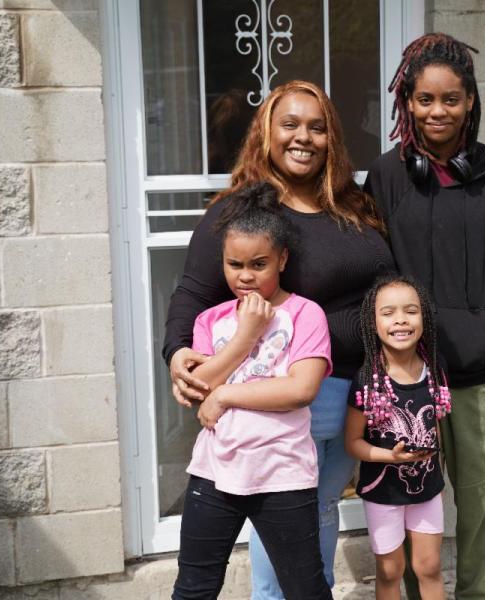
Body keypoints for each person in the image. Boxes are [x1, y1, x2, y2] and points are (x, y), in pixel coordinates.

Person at [162, 80, 394, 599]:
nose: (303, 137)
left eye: (316, 127)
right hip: (287, 397)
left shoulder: (351, 202)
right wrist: (179, 352)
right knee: (283, 515)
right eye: (289, 125)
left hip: (354, 393)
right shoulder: (241, 215)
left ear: (331, 137)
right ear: (266, 133)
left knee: (322, 508)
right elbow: (193, 293)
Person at [363, 33, 485, 600]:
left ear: (470, 103)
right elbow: (375, 265)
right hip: (410, 373)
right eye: (424, 99)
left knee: (479, 493)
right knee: (414, 493)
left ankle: (476, 594)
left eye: (451, 99)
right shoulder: (387, 176)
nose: (437, 111)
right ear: (406, 103)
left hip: (483, 367)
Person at [172, 183, 332, 599]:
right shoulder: (211, 320)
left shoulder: (305, 314)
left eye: (259, 264)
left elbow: (301, 389)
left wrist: (225, 396)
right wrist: (246, 336)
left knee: (306, 589)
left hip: (283, 473)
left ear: (282, 259)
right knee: (194, 588)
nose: (245, 276)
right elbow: (201, 388)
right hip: (214, 472)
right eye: (235, 264)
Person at [344, 274, 451, 600]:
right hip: (383, 491)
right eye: (388, 312)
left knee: (429, 567)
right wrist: (389, 457)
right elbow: (353, 442)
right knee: (390, 571)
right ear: (372, 321)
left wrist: (435, 467)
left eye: (410, 311)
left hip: (427, 488)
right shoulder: (366, 380)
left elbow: (437, 425)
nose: (400, 320)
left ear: (424, 317)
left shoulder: (435, 368)